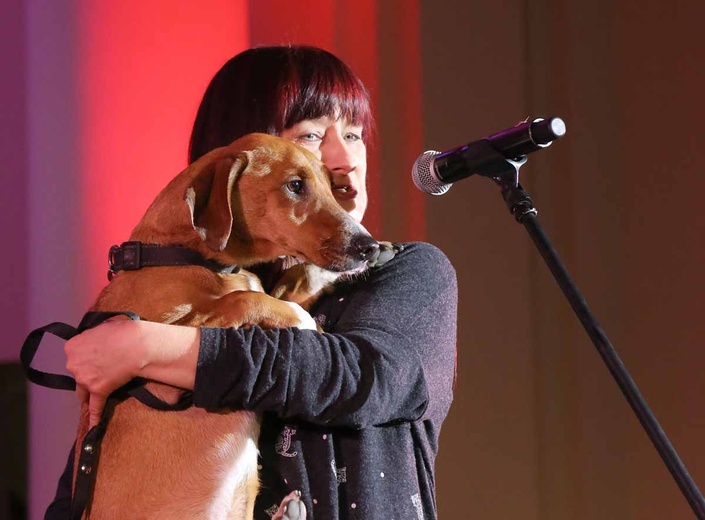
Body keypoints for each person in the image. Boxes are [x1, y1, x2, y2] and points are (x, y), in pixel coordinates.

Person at [47, 45, 458, 520]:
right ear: (240, 155)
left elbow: (366, 380)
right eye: (309, 136)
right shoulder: (188, 286)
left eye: (353, 133)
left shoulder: (406, 272)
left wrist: (147, 346)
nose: (342, 157)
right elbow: (87, 479)